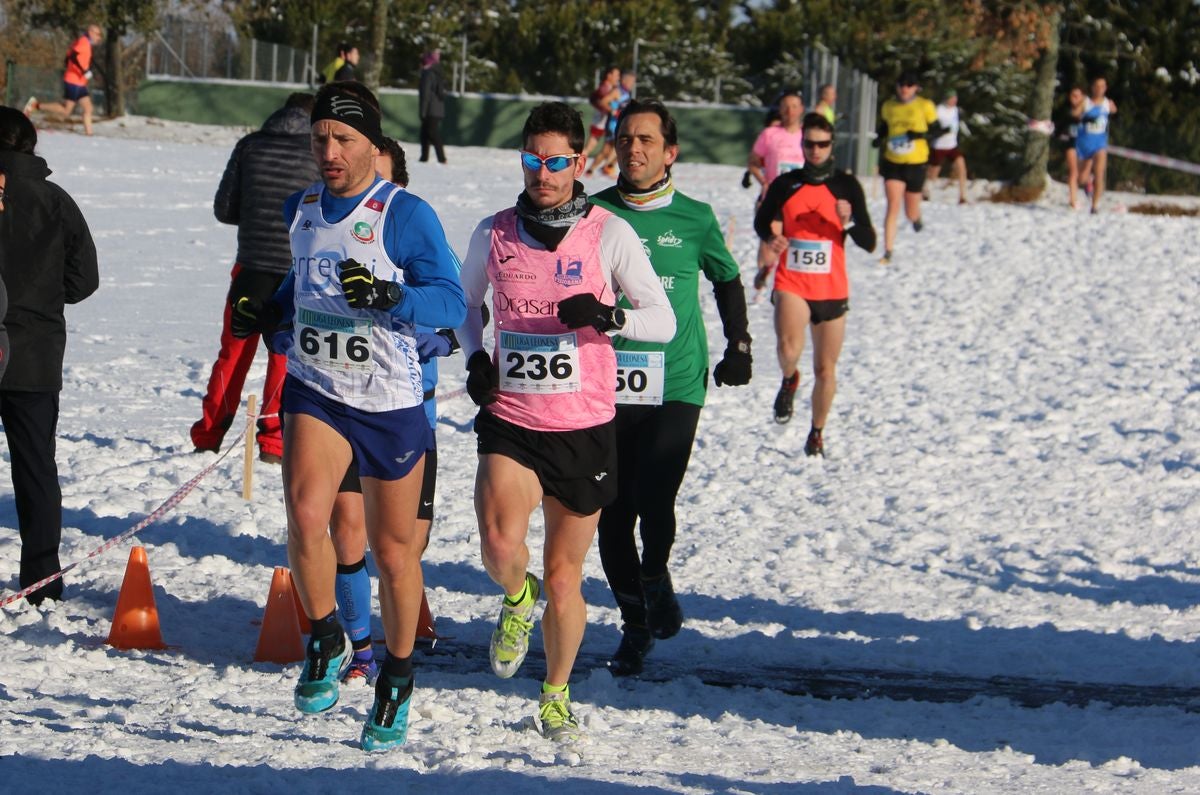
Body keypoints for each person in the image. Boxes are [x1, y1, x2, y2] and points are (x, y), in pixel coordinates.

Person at [231, 81, 464, 751]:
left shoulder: (406, 214)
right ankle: (328, 635)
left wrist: (394, 295)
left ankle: (395, 675)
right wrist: (270, 311)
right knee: (306, 514)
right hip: (317, 388)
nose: (329, 152)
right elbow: (300, 285)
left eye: (343, 140)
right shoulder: (300, 207)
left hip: (388, 402)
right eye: (320, 139)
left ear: (372, 143)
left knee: (393, 553)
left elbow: (451, 304)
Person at [456, 101, 674, 741]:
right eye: (532, 160)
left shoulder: (607, 232)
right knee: (499, 545)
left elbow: (661, 319)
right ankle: (514, 600)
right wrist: (475, 357)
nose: (543, 173)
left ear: (579, 163)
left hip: (583, 427)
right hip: (513, 417)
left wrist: (611, 319)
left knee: (562, 576)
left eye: (556, 162)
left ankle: (555, 693)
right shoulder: (493, 232)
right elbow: (467, 305)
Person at [590, 99, 752, 676]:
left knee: (654, 500)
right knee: (610, 514)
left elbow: (728, 278)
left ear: (670, 152)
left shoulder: (695, 217)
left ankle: (654, 574)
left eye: (647, 141)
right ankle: (634, 625)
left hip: (676, 381)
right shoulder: (592, 213)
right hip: (605, 383)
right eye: (627, 138)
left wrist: (740, 345)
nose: (634, 149)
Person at [327, 137, 458, 686]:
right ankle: (359, 650)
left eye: (378, 177)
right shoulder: (334, 231)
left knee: (402, 548)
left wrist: (443, 341)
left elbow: (463, 310)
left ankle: (399, 646)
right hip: (341, 406)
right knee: (347, 531)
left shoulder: (415, 231)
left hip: (407, 414)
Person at [0, 106, 99, 605]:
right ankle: (42, 579)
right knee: (36, 466)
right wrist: (40, 298)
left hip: (30, 347)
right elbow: (84, 281)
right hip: (34, 354)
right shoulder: (55, 201)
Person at [192, 93, 319, 463]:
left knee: (232, 353)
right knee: (284, 355)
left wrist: (255, 215)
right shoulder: (316, 152)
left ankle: (208, 434)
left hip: (250, 265)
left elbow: (224, 208)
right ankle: (274, 442)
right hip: (295, 271)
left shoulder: (250, 145)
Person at [755, 112, 876, 453]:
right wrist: (772, 238)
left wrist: (848, 222)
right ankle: (790, 377)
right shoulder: (786, 184)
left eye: (823, 144)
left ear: (832, 146)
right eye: (810, 144)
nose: (816, 150)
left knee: (825, 368)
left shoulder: (846, 187)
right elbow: (763, 222)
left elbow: (870, 242)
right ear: (803, 145)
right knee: (787, 349)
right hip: (792, 280)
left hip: (832, 289)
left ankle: (816, 433)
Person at [875, 71, 939, 265]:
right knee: (893, 205)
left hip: (916, 162)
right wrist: (880, 138)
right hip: (893, 161)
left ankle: (916, 217)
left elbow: (936, 130)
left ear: (916, 88)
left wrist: (917, 135)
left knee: (910, 210)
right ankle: (888, 251)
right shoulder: (889, 106)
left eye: (909, 85)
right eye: (901, 84)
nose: (904, 88)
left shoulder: (925, 106)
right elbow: (885, 127)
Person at [25, 25, 103, 136]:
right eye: (97, 33)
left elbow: (68, 57)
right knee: (66, 110)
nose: (99, 37)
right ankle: (35, 105)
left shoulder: (84, 42)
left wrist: (78, 70)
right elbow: (73, 57)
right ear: (90, 32)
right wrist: (83, 71)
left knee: (88, 108)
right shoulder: (83, 42)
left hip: (80, 82)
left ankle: (89, 135)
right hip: (74, 81)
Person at [746, 89, 805, 204]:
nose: (790, 111)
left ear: (801, 109)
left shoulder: (808, 135)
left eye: (794, 106)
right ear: (780, 109)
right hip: (774, 197)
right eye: (785, 107)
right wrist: (764, 182)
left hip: (801, 198)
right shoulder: (769, 133)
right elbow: (752, 162)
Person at [1076, 76, 1117, 214]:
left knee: (1100, 174)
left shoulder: (1107, 103)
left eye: (1103, 86)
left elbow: (1113, 110)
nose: (1100, 89)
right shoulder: (1085, 102)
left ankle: (1094, 206)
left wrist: (1112, 109)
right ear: (1092, 87)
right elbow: (1074, 114)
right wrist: (1081, 115)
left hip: (1100, 144)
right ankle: (1088, 182)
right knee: (1081, 178)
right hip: (1084, 145)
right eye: (1097, 86)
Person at [586, 70, 636, 179]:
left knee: (621, 147)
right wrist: (613, 111)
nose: (632, 83)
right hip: (613, 124)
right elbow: (603, 101)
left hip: (620, 123)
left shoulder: (626, 92)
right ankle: (592, 170)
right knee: (607, 150)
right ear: (624, 80)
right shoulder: (617, 91)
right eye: (631, 81)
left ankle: (606, 168)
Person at [925, 89, 969, 205]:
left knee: (961, 166)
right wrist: (943, 131)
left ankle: (962, 196)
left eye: (955, 98)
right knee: (934, 171)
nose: (954, 101)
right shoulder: (939, 110)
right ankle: (926, 191)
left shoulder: (956, 110)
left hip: (952, 145)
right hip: (939, 145)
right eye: (951, 98)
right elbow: (932, 129)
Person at [1054, 86, 1086, 210]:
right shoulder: (1067, 111)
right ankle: (1073, 201)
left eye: (1077, 96)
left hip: (1086, 145)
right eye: (1072, 95)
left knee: (1084, 176)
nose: (1074, 99)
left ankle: (1089, 190)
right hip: (1072, 143)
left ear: (1082, 97)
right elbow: (1060, 127)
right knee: (1073, 172)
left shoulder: (1089, 111)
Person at [418, 50, 448, 165]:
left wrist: (423, 112)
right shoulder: (438, 72)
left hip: (430, 109)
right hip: (438, 109)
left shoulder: (427, 73)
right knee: (425, 133)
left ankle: (441, 158)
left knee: (432, 133)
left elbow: (425, 94)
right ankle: (424, 158)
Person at [584, 66, 621, 158]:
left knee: (607, 144)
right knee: (592, 144)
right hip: (601, 119)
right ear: (609, 75)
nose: (618, 78)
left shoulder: (610, 87)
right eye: (616, 75)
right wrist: (613, 111)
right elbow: (599, 102)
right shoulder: (604, 88)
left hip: (605, 120)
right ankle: (579, 161)